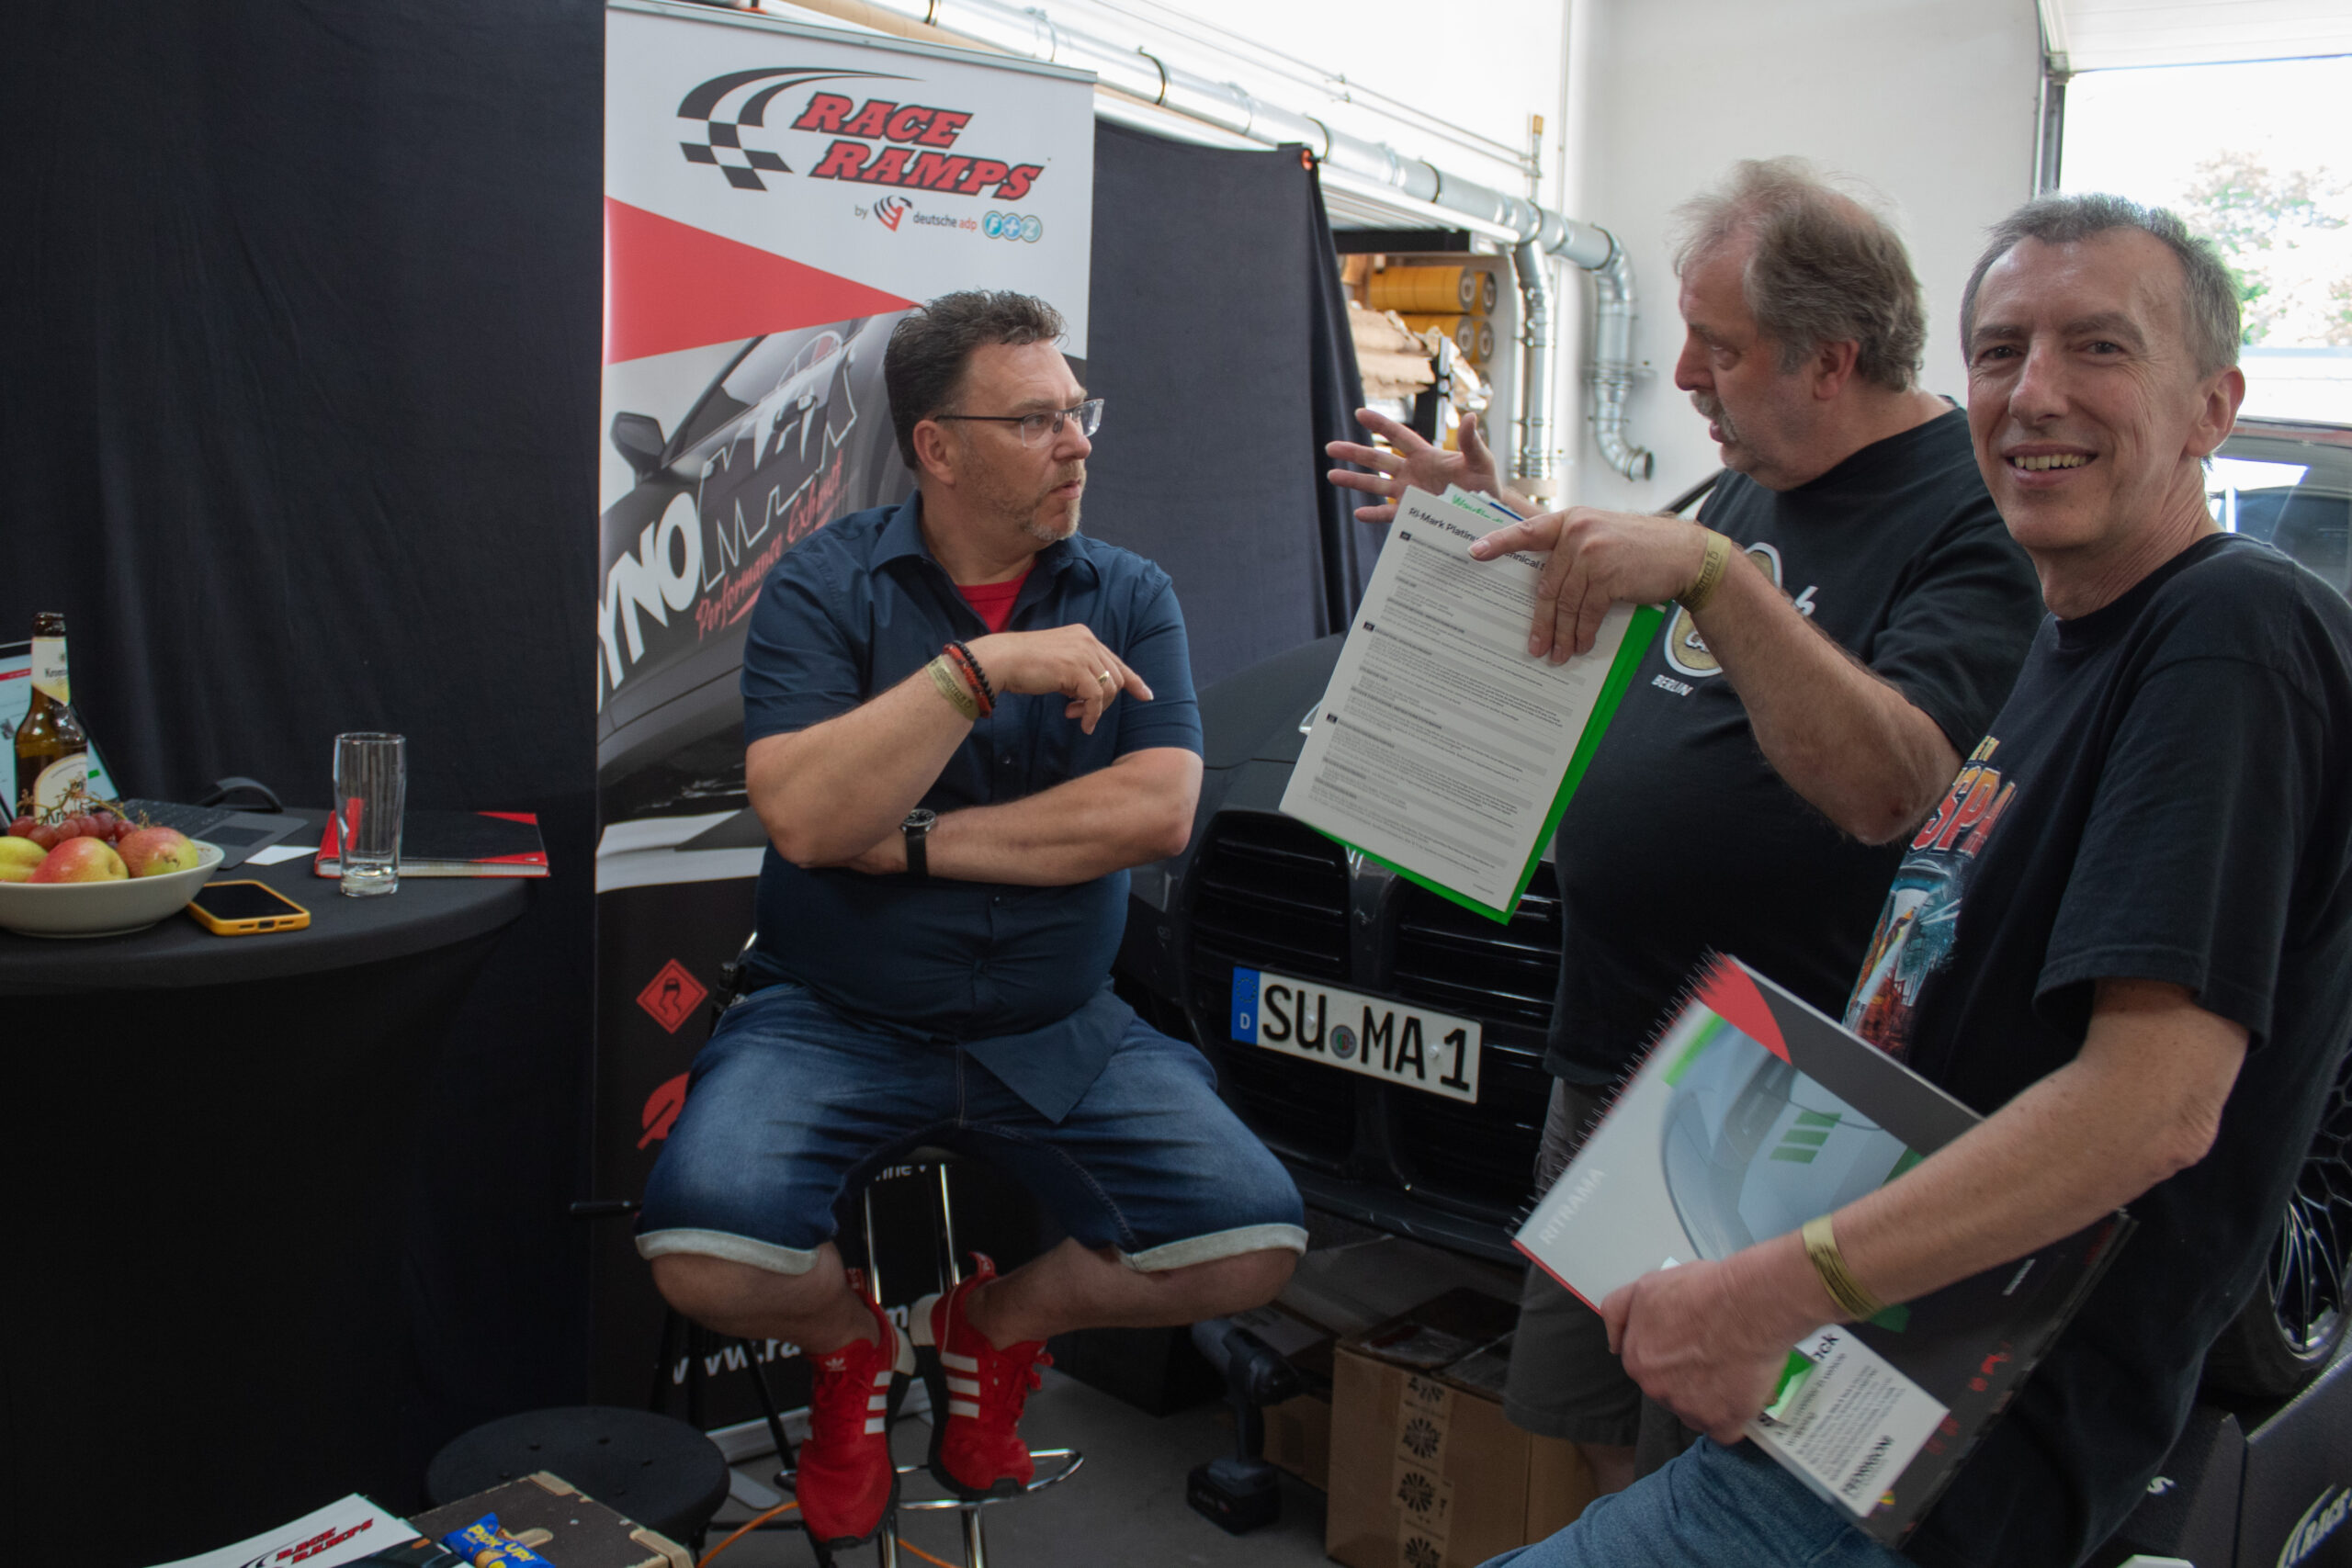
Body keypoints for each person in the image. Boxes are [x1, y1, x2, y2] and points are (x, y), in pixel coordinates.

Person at [1471, 195, 2352, 1568]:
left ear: (2212, 408)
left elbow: (2151, 1109)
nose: (2033, 392)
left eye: (2099, 347)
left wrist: (1772, 1292)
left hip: (1941, 1450)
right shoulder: (2078, 637)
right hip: (1852, 1401)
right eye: (2000, 350)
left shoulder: (2231, 630)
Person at [1329, 157, 2043, 1495]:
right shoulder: (1754, 473)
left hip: (1773, 1100)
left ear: (1829, 360)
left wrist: (1713, 575)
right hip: (1615, 1043)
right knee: (1595, 1420)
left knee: (1715, 1462)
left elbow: (1897, 787)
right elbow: (1637, 635)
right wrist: (1489, 527)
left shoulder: (1972, 517)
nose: (1683, 378)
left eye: (1718, 347)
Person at [634, 291, 1306, 1551]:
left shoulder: (1129, 592)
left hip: (1058, 1026)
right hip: (835, 1017)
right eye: (1036, 419)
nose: (1077, 442)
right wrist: (978, 672)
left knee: (1250, 1242)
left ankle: (986, 1328)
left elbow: (1157, 812)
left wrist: (909, 838)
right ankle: (853, 1347)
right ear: (936, 447)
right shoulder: (823, 585)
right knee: (701, 1251)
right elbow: (805, 816)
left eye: (1079, 411)